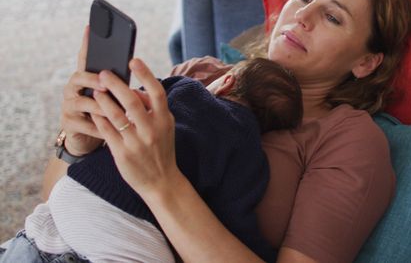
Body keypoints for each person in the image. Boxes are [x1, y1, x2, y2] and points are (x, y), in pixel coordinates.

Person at [35, 0, 411, 262]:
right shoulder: (202, 76)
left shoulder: (349, 139)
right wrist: (77, 144)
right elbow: (57, 206)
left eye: (332, 16)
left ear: (366, 62)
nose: (301, 16)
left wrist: (162, 184)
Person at [0, 58, 302, 262]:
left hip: (79, 194)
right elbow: (237, 218)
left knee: (33, 238)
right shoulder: (252, 157)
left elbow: (131, 103)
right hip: (137, 232)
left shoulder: (183, 87)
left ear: (224, 82)